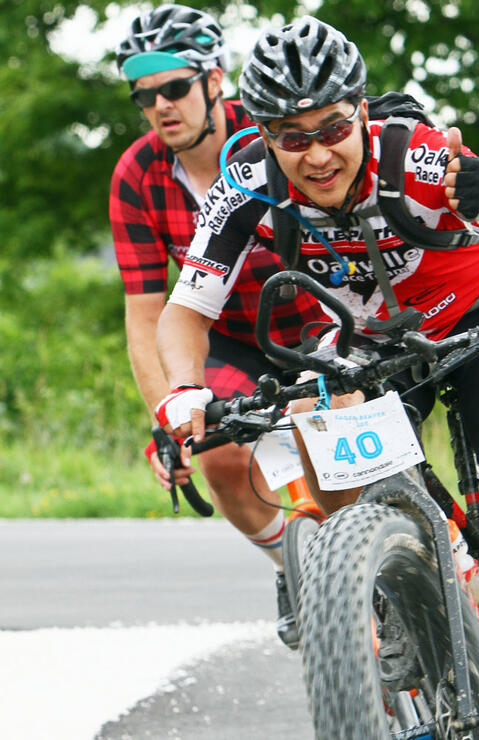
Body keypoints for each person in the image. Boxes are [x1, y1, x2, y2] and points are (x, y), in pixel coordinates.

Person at [155, 16, 479, 738]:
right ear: (262, 132)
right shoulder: (245, 179)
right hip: (364, 342)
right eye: (291, 135)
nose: (316, 153)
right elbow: (185, 309)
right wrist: (184, 390)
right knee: (341, 482)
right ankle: (398, 594)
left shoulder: (416, 154)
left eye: (332, 128)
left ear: (362, 113)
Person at [109, 4, 327, 648]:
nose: (160, 106)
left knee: (344, 457)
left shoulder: (274, 143)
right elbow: (148, 314)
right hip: (230, 336)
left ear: (215, 80)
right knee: (218, 450)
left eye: (174, 87)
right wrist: (167, 418)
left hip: (321, 321)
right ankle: (298, 569)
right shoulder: (136, 176)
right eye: (144, 95)